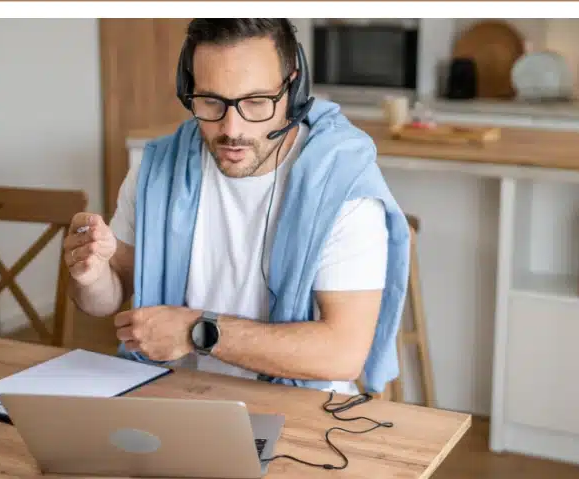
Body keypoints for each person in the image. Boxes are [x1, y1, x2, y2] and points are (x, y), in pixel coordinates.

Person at [63, 19, 410, 395]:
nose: (232, 128)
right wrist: (91, 276)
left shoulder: (344, 188)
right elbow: (107, 298)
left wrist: (199, 330)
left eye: (256, 102)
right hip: (174, 396)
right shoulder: (156, 169)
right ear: (188, 90)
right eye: (211, 101)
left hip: (298, 409)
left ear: (293, 90)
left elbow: (342, 354)